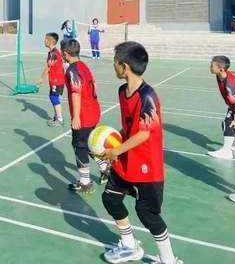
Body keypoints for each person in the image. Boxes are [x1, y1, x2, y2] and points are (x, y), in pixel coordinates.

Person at [101, 42, 181, 264]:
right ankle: (129, 246)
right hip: (126, 160)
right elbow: (130, 127)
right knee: (110, 199)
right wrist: (111, 141)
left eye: (115, 62)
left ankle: (168, 259)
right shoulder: (122, 91)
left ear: (124, 66)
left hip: (147, 165)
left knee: (147, 213)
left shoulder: (148, 96)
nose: (113, 65)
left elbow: (144, 134)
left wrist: (115, 151)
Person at [61, 39, 109, 195]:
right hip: (93, 111)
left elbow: (76, 93)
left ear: (65, 53)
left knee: (80, 147)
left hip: (84, 115)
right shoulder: (83, 65)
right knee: (89, 144)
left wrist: (76, 117)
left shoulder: (72, 70)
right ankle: (105, 168)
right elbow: (94, 85)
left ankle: (85, 183)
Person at [208, 55, 235, 160]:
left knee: (228, 124)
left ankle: (226, 152)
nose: (210, 66)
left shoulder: (229, 84)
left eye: (212, 65)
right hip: (234, 103)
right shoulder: (220, 75)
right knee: (233, 125)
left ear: (221, 69)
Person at [36, 32, 65, 127]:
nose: (44, 41)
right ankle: (57, 117)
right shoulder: (52, 52)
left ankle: (60, 119)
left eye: (46, 39)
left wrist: (42, 78)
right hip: (54, 80)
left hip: (57, 80)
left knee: (54, 97)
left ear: (51, 41)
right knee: (52, 96)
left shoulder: (54, 54)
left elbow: (48, 67)